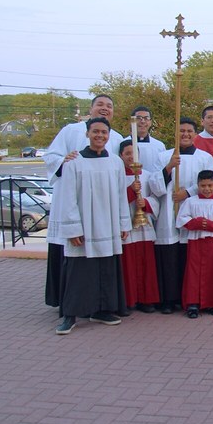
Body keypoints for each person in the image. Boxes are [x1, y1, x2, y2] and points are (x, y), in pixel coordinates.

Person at [43, 94, 124, 309]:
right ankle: (69, 304)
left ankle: (101, 305)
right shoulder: (71, 130)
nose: (105, 108)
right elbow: (51, 157)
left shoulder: (116, 137)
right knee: (75, 259)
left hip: (103, 211)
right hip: (75, 205)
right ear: (90, 109)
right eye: (100, 104)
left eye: (109, 105)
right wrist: (63, 161)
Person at [53, 117, 131, 335]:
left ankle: (101, 310)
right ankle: (70, 315)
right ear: (87, 134)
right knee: (78, 271)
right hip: (84, 225)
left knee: (106, 269)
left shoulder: (115, 162)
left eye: (104, 132)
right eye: (95, 131)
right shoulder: (74, 162)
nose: (100, 136)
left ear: (109, 135)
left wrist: (123, 223)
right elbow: (68, 197)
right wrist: (73, 229)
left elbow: (121, 195)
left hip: (108, 224)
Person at [149, 117, 213, 314]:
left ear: (195, 134)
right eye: (181, 131)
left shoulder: (205, 158)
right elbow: (154, 185)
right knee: (170, 258)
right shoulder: (164, 156)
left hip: (194, 210)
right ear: (175, 133)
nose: (185, 134)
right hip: (169, 211)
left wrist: (187, 192)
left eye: (189, 131)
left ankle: (191, 297)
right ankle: (169, 299)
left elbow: (211, 182)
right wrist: (169, 167)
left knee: (190, 259)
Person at [176, 170, 213, 318]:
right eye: (203, 186)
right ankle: (193, 303)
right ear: (198, 185)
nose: (206, 189)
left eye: (210, 185)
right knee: (194, 272)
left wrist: (208, 224)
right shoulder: (190, 201)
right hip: (195, 242)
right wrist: (196, 223)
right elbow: (182, 219)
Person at [118, 139, 161, 314]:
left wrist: (146, 203)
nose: (131, 157)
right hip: (126, 224)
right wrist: (130, 190)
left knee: (146, 263)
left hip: (144, 226)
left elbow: (156, 198)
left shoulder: (148, 175)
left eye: (134, 153)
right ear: (121, 155)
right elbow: (114, 200)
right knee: (127, 264)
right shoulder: (116, 175)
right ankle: (129, 300)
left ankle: (146, 299)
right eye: (127, 153)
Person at [126, 106, 166, 173]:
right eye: (138, 118)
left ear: (150, 122)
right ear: (132, 121)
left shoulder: (159, 146)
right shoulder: (123, 143)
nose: (142, 121)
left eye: (146, 118)